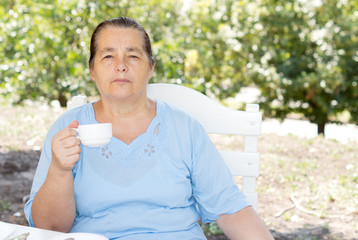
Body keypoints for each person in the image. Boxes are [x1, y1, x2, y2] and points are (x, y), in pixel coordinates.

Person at [24, 17, 274, 240]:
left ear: (151, 67)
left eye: (133, 56)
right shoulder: (68, 129)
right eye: (108, 56)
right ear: (92, 70)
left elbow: (230, 208)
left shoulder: (183, 127)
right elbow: (50, 228)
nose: (121, 65)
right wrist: (59, 169)